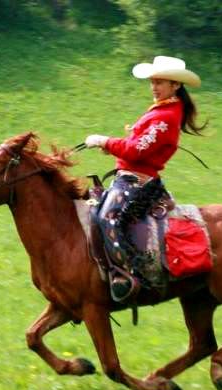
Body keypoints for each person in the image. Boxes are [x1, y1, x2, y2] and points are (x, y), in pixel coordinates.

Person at [84, 55, 205, 303]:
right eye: (152, 82)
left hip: (137, 181)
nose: (154, 86)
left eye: (160, 82)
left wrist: (104, 141)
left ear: (176, 85)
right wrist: (114, 147)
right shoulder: (162, 110)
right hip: (127, 177)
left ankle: (126, 275)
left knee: (109, 217)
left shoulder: (166, 116)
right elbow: (134, 147)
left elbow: (137, 150)